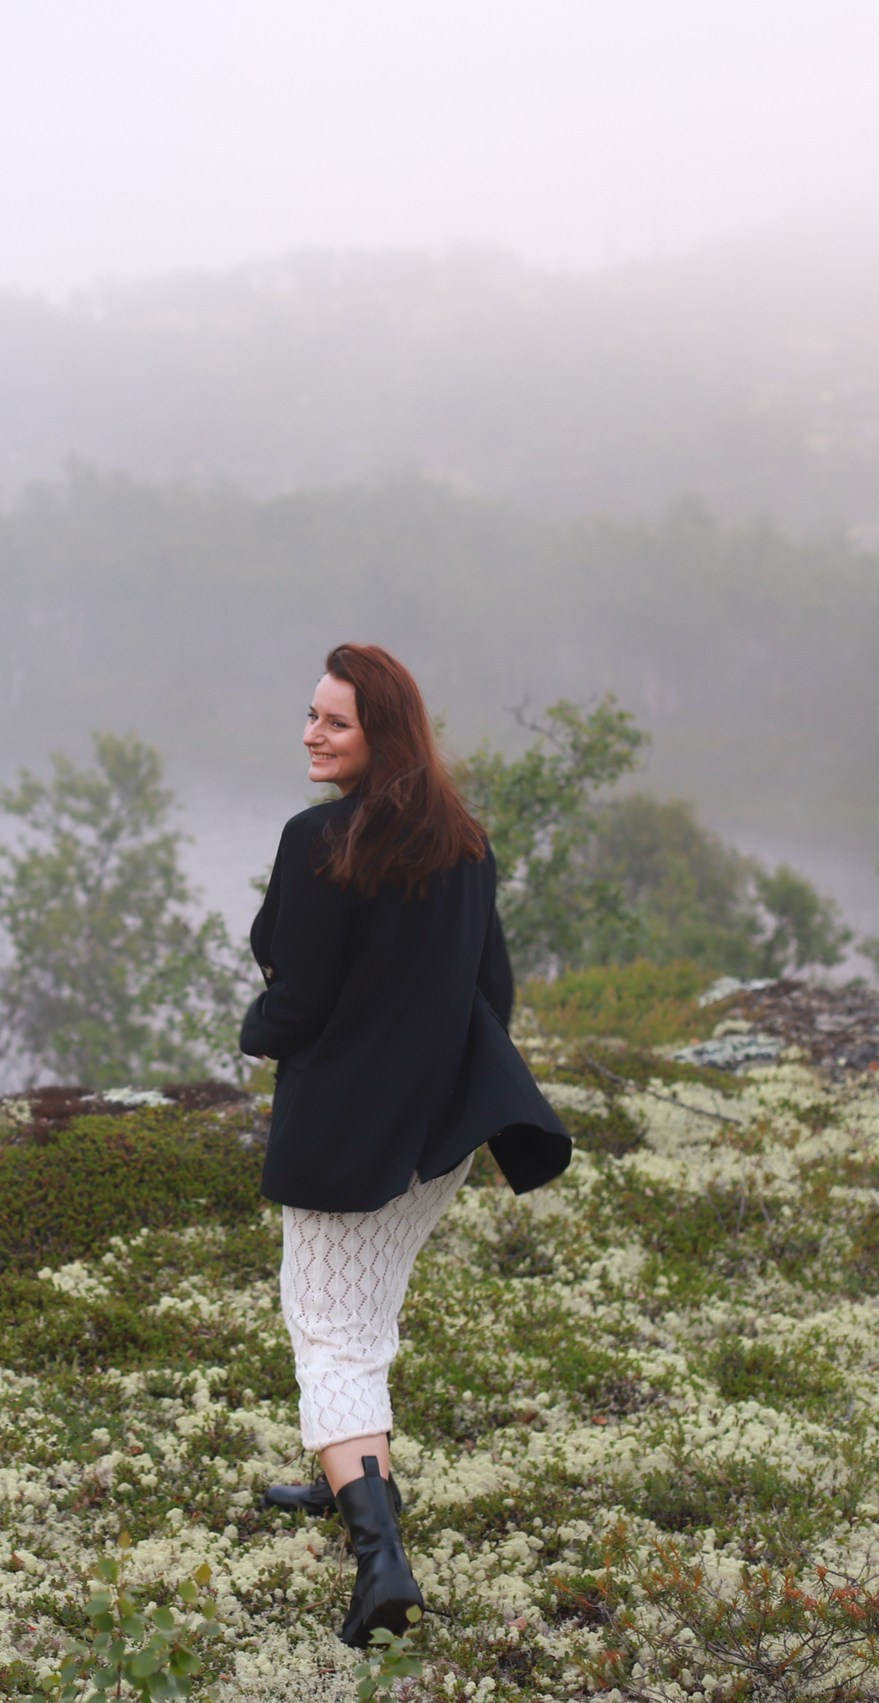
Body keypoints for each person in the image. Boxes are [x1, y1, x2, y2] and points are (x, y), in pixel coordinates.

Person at [240, 642, 571, 1649]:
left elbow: (298, 999)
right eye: (310, 714)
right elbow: (493, 993)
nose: (312, 732)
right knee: (362, 1313)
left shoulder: (317, 839)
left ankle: (380, 1559)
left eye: (334, 721)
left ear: (383, 734)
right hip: (440, 1130)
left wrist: (258, 1030)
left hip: (349, 1131)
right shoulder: (464, 842)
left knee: (326, 1326)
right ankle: (350, 1477)